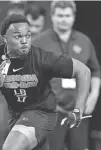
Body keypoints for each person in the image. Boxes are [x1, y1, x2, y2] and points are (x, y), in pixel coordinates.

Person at [0, 14, 91, 150]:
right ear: (5, 38)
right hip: (15, 115)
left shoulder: (42, 57)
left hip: (42, 112)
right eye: (18, 36)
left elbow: (83, 71)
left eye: (28, 36)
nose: (24, 41)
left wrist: (79, 109)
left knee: (11, 148)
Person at [32, 1, 101, 150]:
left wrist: (94, 95)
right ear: (52, 16)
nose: (64, 19)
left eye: (67, 15)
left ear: (74, 17)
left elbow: (95, 70)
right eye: (60, 15)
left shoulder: (84, 41)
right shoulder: (39, 42)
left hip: (78, 112)